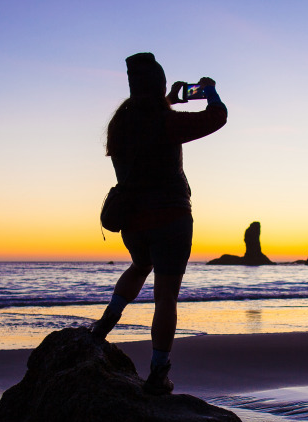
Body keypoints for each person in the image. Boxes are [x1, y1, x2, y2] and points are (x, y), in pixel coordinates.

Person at [91, 52, 227, 395]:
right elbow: (217, 117)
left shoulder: (120, 123)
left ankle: (105, 323)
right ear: (160, 85)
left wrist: (167, 101)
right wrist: (209, 91)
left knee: (140, 265)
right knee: (166, 297)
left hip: (133, 222)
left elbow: (145, 126)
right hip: (171, 218)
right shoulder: (166, 123)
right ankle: (157, 373)